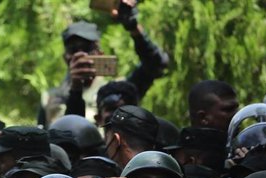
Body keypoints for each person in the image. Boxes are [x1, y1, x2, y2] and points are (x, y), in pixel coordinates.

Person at [38, 3, 169, 128]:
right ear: (65, 57)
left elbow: (155, 65)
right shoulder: (50, 99)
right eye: (73, 50)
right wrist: (75, 87)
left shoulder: (117, 92)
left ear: (100, 53)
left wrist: (134, 28)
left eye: (87, 48)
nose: (80, 55)